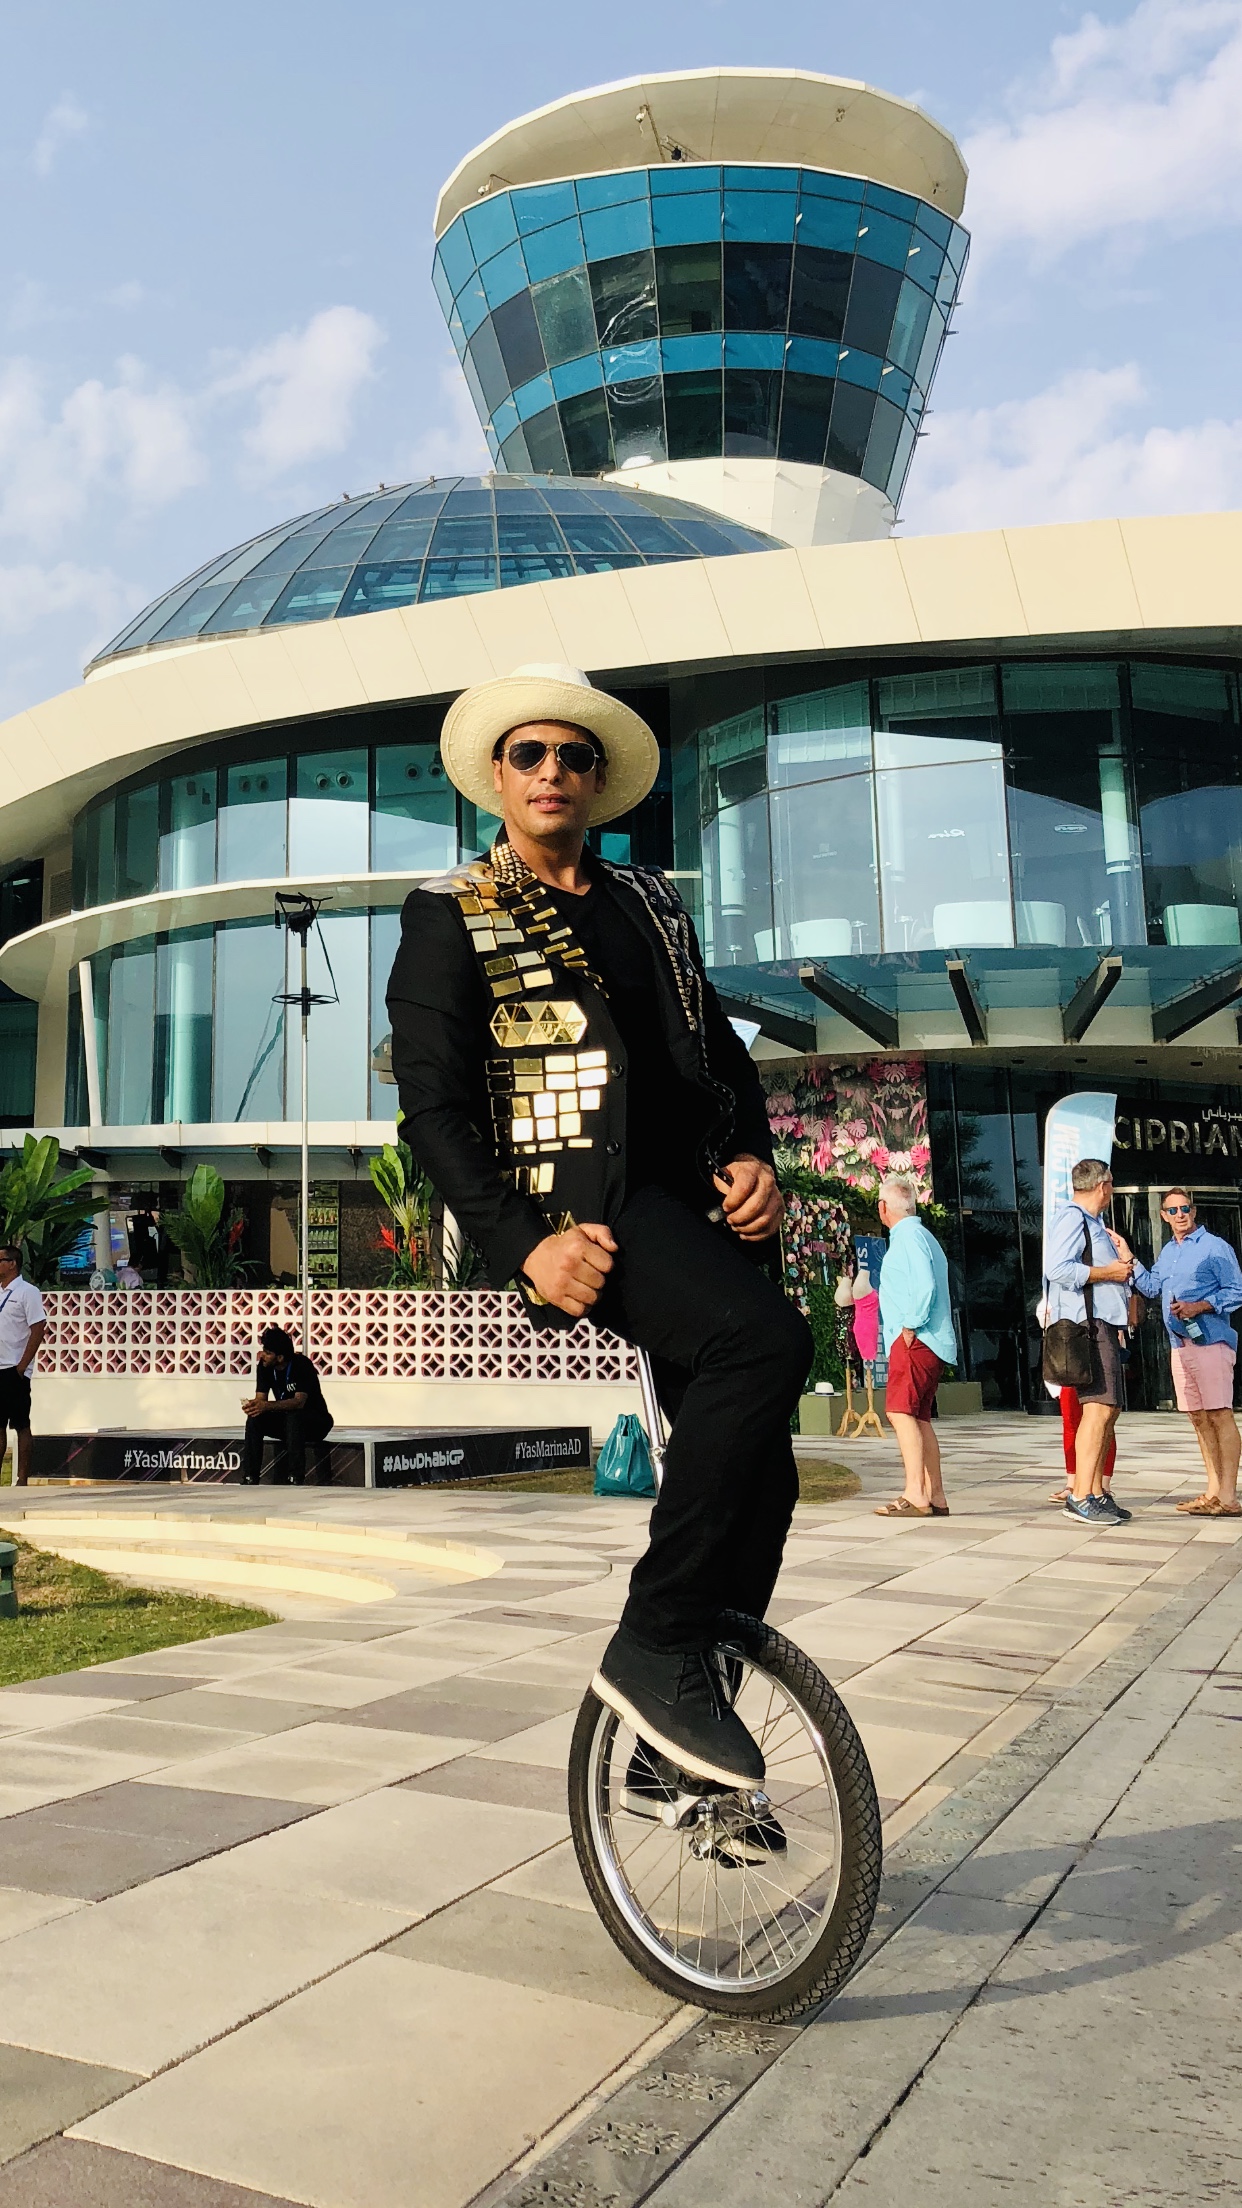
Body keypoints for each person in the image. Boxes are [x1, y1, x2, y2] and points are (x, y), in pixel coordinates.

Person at [386, 661, 810, 1795]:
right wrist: (524, 1244)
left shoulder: (652, 903)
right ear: (496, 775)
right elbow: (432, 1109)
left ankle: (676, 1755)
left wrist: (756, 1156)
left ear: (597, 778)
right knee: (763, 1342)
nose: (552, 771)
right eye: (529, 753)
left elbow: (718, 1057)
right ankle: (655, 1640)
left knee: (761, 1481)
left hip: (702, 1207)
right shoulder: (450, 912)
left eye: (573, 756)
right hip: (590, 1214)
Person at [1126, 1188, 1242, 1517]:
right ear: (1164, 1216)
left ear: (1194, 1211)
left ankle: (1229, 1496)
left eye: (1185, 1208)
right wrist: (1129, 1259)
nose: (1180, 1215)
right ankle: (1213, 1491)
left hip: (1211, 1342)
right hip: (1180, 1344)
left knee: (1219, 1413)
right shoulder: (1168, 1252)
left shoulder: (1214, 1247)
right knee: (1198, 1416)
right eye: (1173, 1210)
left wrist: (1200, 1306)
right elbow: (1151, 1287)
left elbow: (1237, 1290)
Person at [1045, 1158, 1134, 1525]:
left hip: (1103, 1323)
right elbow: (1057, 1268)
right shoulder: (1072, 1218)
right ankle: (1081, 1494)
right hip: (1088, 1324)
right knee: (1098, 1409)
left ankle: (1095, 1491)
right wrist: (1107, 1272)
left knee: (1107, 1410)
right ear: (1103, 1186)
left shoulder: (1094, 1223)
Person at [874, 1176, 955, 1517]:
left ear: (883, 1208)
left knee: (900, 1411)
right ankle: (935, 1494)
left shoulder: (908, 1237)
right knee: (919, 1416)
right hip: (926, 1339)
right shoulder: (923, 1236)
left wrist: (910, 1324)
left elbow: (925, 1285)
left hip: (915, 1338)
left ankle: (916, 1492)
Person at [240, 1325, 333, 1485]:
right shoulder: (264, 1366)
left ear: (280, 1357)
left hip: (315, 1422)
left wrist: (265, 1406)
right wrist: (253, 1406)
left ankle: (295, 1477)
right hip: (287, 1422)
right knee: (255, 1419)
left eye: (268, 1353)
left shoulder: (301, 1365)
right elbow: (261, 1400)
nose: (262, 1355)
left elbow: (298, 1402)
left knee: (294, 1416)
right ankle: (250, 1476)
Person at [0, 1243, 47, 1489]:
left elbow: (38, 1327)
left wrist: (22, 1365)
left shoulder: (27, 1292)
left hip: (15, 1367)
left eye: (0, 1260)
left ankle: (22, 1480)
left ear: (12, 1264)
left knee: (20, 1424)